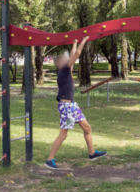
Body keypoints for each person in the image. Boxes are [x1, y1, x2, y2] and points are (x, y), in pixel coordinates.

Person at [45, 37, 107, 169]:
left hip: (72, 105)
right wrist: (84, 41)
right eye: (64, 59)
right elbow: (77, 54)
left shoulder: (66, 70)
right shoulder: (63, 70)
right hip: (66, 107)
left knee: (87, 128)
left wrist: (74, 43)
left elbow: (73, 55)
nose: (67, 59)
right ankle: (50, 160)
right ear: (60, 63)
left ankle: (92, 153)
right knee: (63, 135)